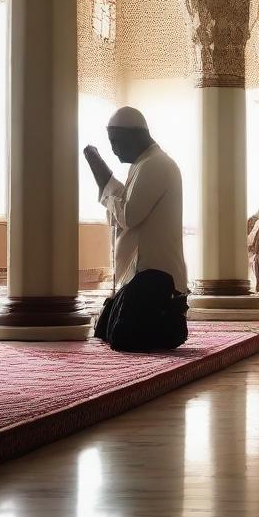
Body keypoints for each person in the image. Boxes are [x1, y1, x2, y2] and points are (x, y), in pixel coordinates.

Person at [83, 107, 189, 351]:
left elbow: (129, 215)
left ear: (134, 136)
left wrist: (104, 178)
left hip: (157, 275)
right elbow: (128, 207)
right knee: (106, 328)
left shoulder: (155, 164)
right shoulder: (144, 163)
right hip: (142, 272)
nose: (114, 149)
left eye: (115, 141)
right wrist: (105, 178)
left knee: (123, 336)